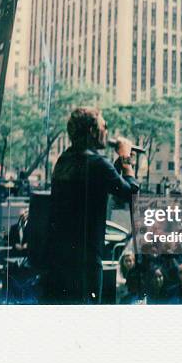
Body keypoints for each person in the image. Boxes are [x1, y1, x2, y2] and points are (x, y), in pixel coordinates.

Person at [48, 107, 139, 304]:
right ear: (92, 131)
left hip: (60, 259)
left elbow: (98, 187)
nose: (107, 130)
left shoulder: (64, 160)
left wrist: (113, 168)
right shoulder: (98, 164)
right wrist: (126, 160)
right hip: (87, 261)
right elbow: (131, 194)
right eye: (104, 126)